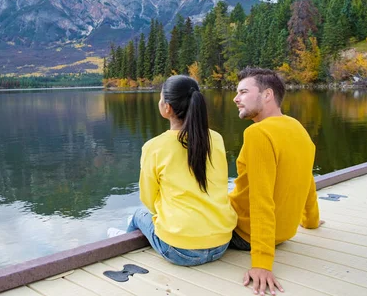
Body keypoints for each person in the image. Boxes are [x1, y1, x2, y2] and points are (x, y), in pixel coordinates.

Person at [121, 75, 237, 266]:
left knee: (139, 215)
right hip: (221, 242)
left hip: (180, 251)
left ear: (167, 108)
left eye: (161, 98)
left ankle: (123, 249)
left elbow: (148, 200)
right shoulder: (216, 138)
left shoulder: (155, 146)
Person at [229, 67, 322, 295]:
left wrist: (262, 263)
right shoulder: (297, 128)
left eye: (243, 92)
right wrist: (311, 220)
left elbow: (261, 200)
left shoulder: (258, 133)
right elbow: (306, 179)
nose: (236, 98)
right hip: (284, 233)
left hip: (245, 234)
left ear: (267, 95)